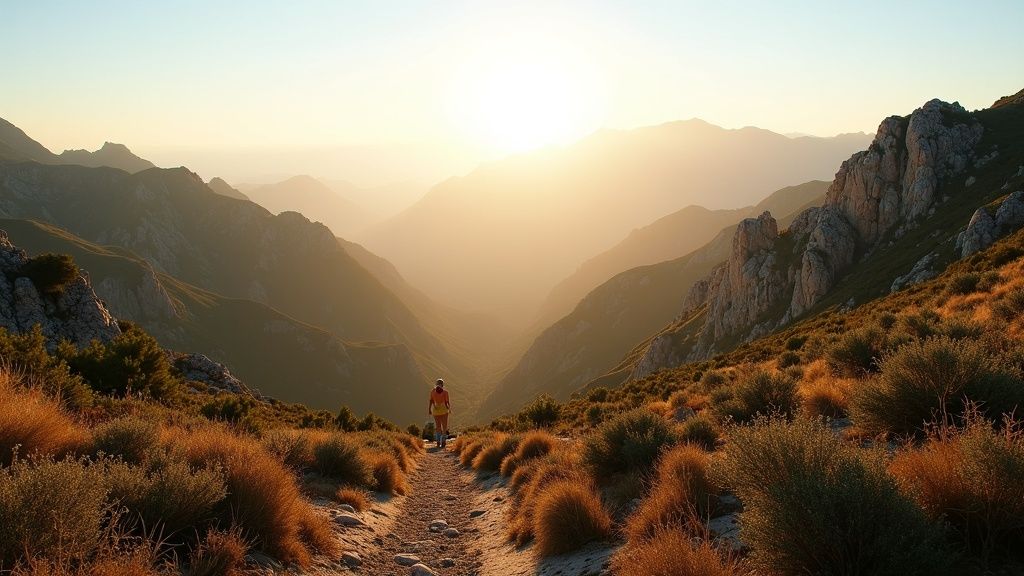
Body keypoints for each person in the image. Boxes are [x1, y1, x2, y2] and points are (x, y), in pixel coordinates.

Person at [428, 378, 450, 448]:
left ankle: (438, 442)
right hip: (444, 410)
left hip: (435, 411)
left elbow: (431, 401)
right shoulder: (445, 392)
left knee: (438, 427)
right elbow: (447, 403)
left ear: (436, 384)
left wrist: (429, 409)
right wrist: (449, 409)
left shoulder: (432, 391)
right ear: (442, 384)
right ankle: (443, 442)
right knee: (444, 427)